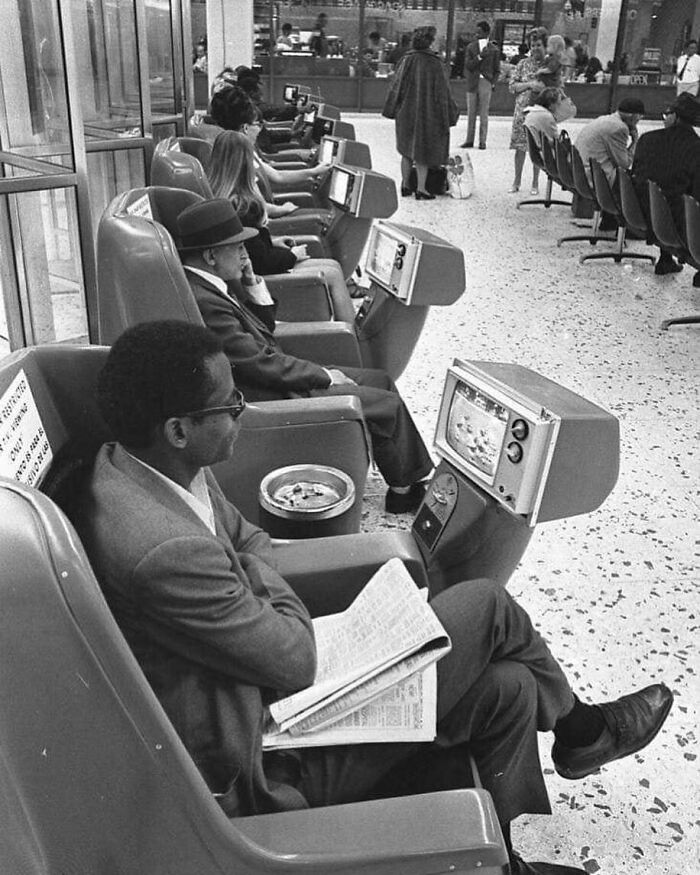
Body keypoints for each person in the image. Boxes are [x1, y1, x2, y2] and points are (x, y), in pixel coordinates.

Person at [78, 316, 674, 875]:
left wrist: (255, 587)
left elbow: (251, 543)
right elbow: (294, 654)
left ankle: (517, 849)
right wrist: (269, 596)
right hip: (268, 759)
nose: (242, 412)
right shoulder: (163, 549)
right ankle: (582, 730)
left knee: (511, 689)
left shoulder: (150, 465)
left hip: (256, 682)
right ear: (178, 429)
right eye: (229, 406)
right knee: (487, 604)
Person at [176, 199, 434, 513]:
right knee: (386, 405)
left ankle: (405, 473)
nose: (246, 253)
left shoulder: (210, 285)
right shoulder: (207, 299)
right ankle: (403, 492)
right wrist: (324, 375)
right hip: (270, 391)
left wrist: (251, 281)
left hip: (273, 374)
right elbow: (258, 363)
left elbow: (263, 329)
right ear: (211, 255)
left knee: (381, 380)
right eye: (238, 246)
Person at [206, 132, 342, 289]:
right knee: (333, 273)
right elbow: (261, 261)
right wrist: (292, 256)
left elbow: (249, 245)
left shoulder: (215, 195)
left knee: (333, 267)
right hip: (255, 277)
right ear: (246, 163)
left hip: (245, 269)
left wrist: (273, 242)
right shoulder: (243, 205)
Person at [382, 26, 459, 200]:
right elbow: (443, 92)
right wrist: (450, 113)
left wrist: (393, 109)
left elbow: (397, 86)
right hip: (428, 113)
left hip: (406, 112)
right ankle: (422, 189)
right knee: (422, 151)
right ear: (430, 41)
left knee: (406, 150)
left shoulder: (406, 60)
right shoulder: (435, 62)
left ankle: (405, 185)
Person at [632, 92, 700, 280]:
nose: (664, 118)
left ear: (675, 116)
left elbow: (637, 174)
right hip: (679, 225)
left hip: (640, 213)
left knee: (667, 192)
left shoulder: (647, 140)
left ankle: (666, 257)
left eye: (666, 114)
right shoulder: (696, 148)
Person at [575, 97, 645, 231]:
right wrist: (635, 141)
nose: (638, 121)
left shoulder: (605, 119)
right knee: (635, 181)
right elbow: (624, 164)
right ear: (633, 115)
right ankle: (631, 227)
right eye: (639, 117)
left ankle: (610, 222)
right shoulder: (619, 128)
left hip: (581, 172)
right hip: (594, 178)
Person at [508, 28, 548, 194]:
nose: (535, 48)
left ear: (544, 45)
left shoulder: (549, 66)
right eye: (533, 45)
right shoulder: (522, 64)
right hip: (521, 113)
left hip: (540, 113)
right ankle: (516, 181)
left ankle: (535, 183)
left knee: (538, 148)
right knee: (519, 147)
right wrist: (529, 85)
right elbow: (512, 86)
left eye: (538, 44)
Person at [460, 20, 501, 150]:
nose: (477, 34)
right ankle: (469, 140)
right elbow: (468, 65)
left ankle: (482, 141)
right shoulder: (471, 47)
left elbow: (497, 69)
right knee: (471, 112)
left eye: (479, 31)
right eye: (476, 31)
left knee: (484, 113)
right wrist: (479, 57)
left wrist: (492, 82)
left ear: (486, 32)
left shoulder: (494, 50)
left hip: (485, 81)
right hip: (473, 81)